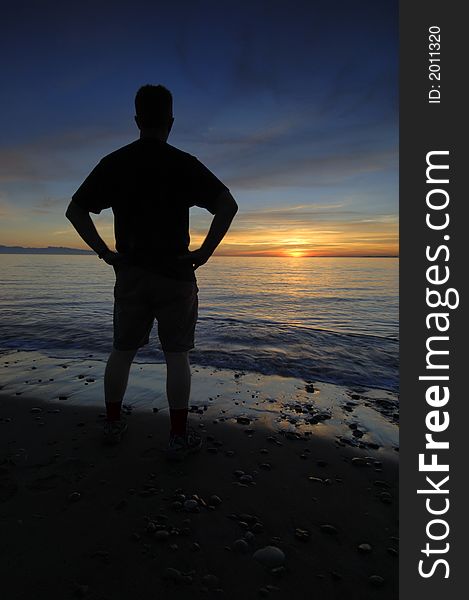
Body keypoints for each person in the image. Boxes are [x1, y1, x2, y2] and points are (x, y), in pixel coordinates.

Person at [66, 84, 238, 460]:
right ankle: (177, 437)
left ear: (137, 120)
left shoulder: (115, 163)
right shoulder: (183, 163)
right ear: (171, 121)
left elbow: (75, 210)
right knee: (177, 356)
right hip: (176, 272)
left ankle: (112, 424)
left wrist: (104, 253)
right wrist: (204, 253)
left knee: (122, 351)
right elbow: (228, 205)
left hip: (130, 272)